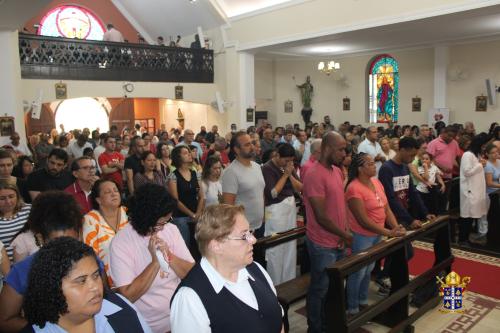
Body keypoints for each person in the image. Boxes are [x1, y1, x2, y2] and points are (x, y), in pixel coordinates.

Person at [170, 204, 283, 333]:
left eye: (250, 232)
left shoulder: (256, 269)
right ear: (216, 245)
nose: (253, 240)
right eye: (243, 235)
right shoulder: (189, 299)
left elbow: (278, 321)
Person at [110, 184, 194, 333]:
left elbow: (193, 275)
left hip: (181, 315)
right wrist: (155, 263)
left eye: (167, 220)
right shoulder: (121, 243)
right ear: (146, 219)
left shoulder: (171, 230)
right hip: (150, 326)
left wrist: (169, 255)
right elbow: (128, 296)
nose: (163, 227)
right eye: (161, 222)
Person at [21, 237, 151, 333]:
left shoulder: (119, 306)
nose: (95, 287)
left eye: (95, 276)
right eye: (81, 281)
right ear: (51, 289)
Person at [0, 191, 84, 332]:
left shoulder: (89, 262)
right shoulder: (23, 271)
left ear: (80, 234)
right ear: (39, 238)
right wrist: (49, 328)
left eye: (71, 241)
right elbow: (4, 321)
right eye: (56, 242)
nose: (65, 249)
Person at [302, 132, 352, 333]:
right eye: (340, 149)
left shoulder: (337, 171)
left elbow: (340, 205)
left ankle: (327, 324)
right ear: (328, 149)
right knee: (319, 289)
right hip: (322, 243)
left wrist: (345, 230)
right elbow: (321, 216)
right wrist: (344, 234)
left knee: (332, 289)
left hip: (337, 239)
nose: (344, 153)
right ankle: (314, 328)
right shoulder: (314, 174)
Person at [345, 153, 406, 315]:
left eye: (373, 163)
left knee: (369, 268)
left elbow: (386, 208)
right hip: (362, 236)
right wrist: (389, 232)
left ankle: (362, 300)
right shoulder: (354, 188)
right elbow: (363, 220)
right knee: (358, 271)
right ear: (360, 169)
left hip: (377, 234)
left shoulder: (376, 182)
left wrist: (396, 226)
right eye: (370, 164)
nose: (374, 166)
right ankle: (352, 307)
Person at [262, 143, 303, 284]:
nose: (288, 163)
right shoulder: (267, 168)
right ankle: (275, 284)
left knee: (290, 247)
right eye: (286, 160)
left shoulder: (288, 167)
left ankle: (288, 282)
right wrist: (285, 175)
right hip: (275, 212)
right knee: (276, 250)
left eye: (291, 161)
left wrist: (290, 174)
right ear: (277, 155)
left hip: (289, 211)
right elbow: (273, 193)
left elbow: (300, 188)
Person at [83, 179, 128, 282]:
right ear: (98, 200)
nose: (113, 194)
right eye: (108, 192)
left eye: (116, 190)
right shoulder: (90, 220)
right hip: (108, 282)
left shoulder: (129, 214)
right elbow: (91, 258)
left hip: (136, 274)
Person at [222, 132, 265, 235]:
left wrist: (263, 217)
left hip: (260, 225)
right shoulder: (231, 172)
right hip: (243, 229)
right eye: (247, 145)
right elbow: (228, 206)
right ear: (237, 149)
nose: (252, 147)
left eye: (251, 143)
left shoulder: (256, 166)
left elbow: (261, 193)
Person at [168, 146, 205, 246]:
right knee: (185, 246)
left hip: (196, 213)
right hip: (181, 216)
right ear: (178, 157)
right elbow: (175, 200)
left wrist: (197, 213)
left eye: (189, 152)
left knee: (201, 245)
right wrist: (192, 215)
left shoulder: (195, 174)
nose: (189, 154)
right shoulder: (173, 176)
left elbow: (201, 196)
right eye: (185, 153)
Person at [459, 133, 489, 246]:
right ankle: (462, 239)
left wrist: (481, 164)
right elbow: (467, 172)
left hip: (476, 189)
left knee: (473, 216)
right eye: (484, 145)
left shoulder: (476, 154)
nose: (484, 147)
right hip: (469, 190)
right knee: (467, 216)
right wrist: (480, 165)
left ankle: (467, 238)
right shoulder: (467, 155)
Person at [473, 143, 500, 243]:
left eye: (496, 152)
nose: (495, 154)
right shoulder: (488, 165)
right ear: (487, 154)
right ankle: (483, 234)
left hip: (497, 192)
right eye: (492, 153)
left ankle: (494, 232)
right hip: (489, 193)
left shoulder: (499, 161)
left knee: (494, 215)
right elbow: (489, 183)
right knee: (485, 214)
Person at [0, 182, 31, 262]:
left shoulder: (29, 210)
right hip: (5, 268)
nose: (8, 202)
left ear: (17, 196)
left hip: (33, 262)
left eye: (11, 197)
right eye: (2, 198)